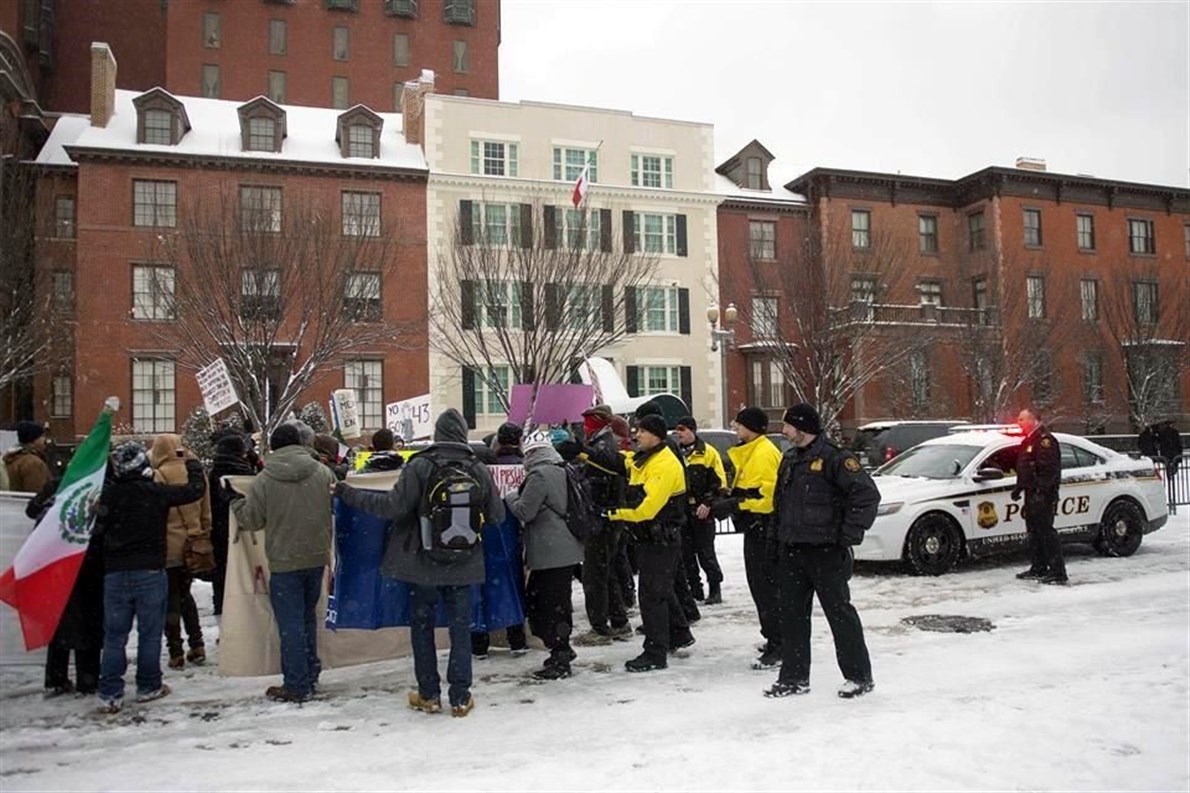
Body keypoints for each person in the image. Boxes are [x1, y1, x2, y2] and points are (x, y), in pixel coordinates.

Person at [334, 408, 504, 718]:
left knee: (422, 628)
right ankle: (461, 697)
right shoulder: (478, 468)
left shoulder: (420, 465)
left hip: (420, 563)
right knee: (460, 630)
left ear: (438, 435)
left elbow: (392, 507)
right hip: (464, 564)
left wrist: (349, 494)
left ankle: (429, 694)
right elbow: (497, 516)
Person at [768, 403, 880, 699]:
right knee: (791, 616)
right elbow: (779, 504)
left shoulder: (835, 458)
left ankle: (858, 676)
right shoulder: (790, 458)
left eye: (788, 425)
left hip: (826, 552)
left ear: (802, 428)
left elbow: (866, 496)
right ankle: (793, 678)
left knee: (840, 614)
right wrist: (775, 539)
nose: (784, 430)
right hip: (793, 551)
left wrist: (847, 536)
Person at [96, 441, 205, 714]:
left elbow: (95, 530)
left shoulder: (107, 498)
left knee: (114, 636)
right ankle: (148, 685)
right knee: (150, 633)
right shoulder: (154, 492)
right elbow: (194, 491)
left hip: (115, 572)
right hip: (150, 569)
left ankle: (110, 691)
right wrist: (191, 461)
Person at [232, 423, 338, 702]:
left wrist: (234, 503)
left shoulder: (265, 479)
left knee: (290, 624)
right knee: (308, 618)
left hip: (284, 559)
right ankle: (310, 673)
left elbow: (252, 520)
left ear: (274, 447)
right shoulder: (322, 472)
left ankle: (296, 683)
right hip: (316, 556)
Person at [605, 414, 693, 672]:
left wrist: (612, 513)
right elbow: (622, 462)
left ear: (656, 434)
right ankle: (678, 634)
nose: (636, 436)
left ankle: (655, 653)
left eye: (641, 431)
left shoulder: (664, 464)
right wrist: (585, 453)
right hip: (651, 538)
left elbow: (647, 510)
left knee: (652, 596)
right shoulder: (646, 458)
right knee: (662, 591)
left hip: (660, 538)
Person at [506, 428, 583, 680]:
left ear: (531, 454)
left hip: (549, 549)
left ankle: (560, 655)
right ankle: (562, 648)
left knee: (545, 604)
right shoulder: (564, 468)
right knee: (559, 602)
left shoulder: (539, 475)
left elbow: (525, 512)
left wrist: (510, 497)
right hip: (567, 546)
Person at [713, 407, 783, 670]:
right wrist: (729, 498)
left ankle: (780, 644)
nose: (735, 430)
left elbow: (765, 499)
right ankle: (773, 637)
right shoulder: (752, 452)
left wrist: (735, 505)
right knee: (760, 587)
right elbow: (749, 490)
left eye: (739, 425)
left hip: (763, 530)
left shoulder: (763, 454)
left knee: (767, 588)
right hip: (755, 529)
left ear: (751, 428)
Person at [27, 476, 105, 697]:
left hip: (55, 562)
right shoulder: (95, 487)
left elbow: (32, 510)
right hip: (85, 563)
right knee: (88, 622)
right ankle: (87, 679)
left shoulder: (56, 487)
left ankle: (56, 677)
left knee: (60, 620)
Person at [570, 405, 633, 646]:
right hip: (604, 518)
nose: (584, 428)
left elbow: (602, 475)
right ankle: (618, 621)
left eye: (587, 424)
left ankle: (600, 626)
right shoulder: (601, 444)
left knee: (595, 575)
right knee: (605, 573)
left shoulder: (602, 446)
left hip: (601, 518)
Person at [149, 434, 212, 669]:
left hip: (169, 546)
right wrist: (203, 533)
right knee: (186, 596)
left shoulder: (158, 476)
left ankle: (175, 649)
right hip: (193, 545)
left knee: (170, 600)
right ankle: (198, 644)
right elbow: (206, 511)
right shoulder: (195, 474)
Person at [472, 422, 529, 659]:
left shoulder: (482, 472)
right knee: (514, 587)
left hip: (485, 535)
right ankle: (517, 639)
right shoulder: (526, 468)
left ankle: (479, 643)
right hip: (515, 534)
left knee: (482, 590)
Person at [674, 416, 727, 605]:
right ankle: (695, 589)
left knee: (706, 552)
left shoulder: (708, 453)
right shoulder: (676, 454)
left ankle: (715, 588)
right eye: (677, 429)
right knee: (686, 553)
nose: (678, 433)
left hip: (702, 511)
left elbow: (719, 483)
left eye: (682, 429)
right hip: (683, 512)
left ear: (692, 430)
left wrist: (708, 502)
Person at [1013, 408, 1066, 585]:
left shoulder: (1045, 441)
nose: (1019, 422)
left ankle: (1057, 571)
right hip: (1031, 494)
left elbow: (1048, 470)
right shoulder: (1029, 441)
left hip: (1044, 496)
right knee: (1034, 532)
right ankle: (1039, 567)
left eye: (1022, 419)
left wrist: (1041, 492)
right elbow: (1026, 468)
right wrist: (1019, 488)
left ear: (1034, 420)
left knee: (1046, 531)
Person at [207, 433, 256, 619]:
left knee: (221, 577)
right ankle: (244, 618)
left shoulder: (213, 473)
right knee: (244, 574)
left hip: (218, 531)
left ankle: (223, 615)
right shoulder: (243, 473)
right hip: (242, 531)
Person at [4, 420, 52, 494]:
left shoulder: (12, 459)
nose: (45, 440)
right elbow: (37, 492)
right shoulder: (33, 463)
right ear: (33, 440)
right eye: (42, 436)